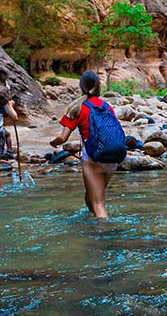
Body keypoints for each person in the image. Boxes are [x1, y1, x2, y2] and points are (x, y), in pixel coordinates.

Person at [48, 72, 122, 219]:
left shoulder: (78, 107)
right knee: (90, 199)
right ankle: (92, 227)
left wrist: (53, 143)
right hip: (112, 158)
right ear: (98, 87)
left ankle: (106, 237)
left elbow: (62, 138)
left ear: (81, 87)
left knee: (98, 204)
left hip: (93, 159)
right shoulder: (107, 107)